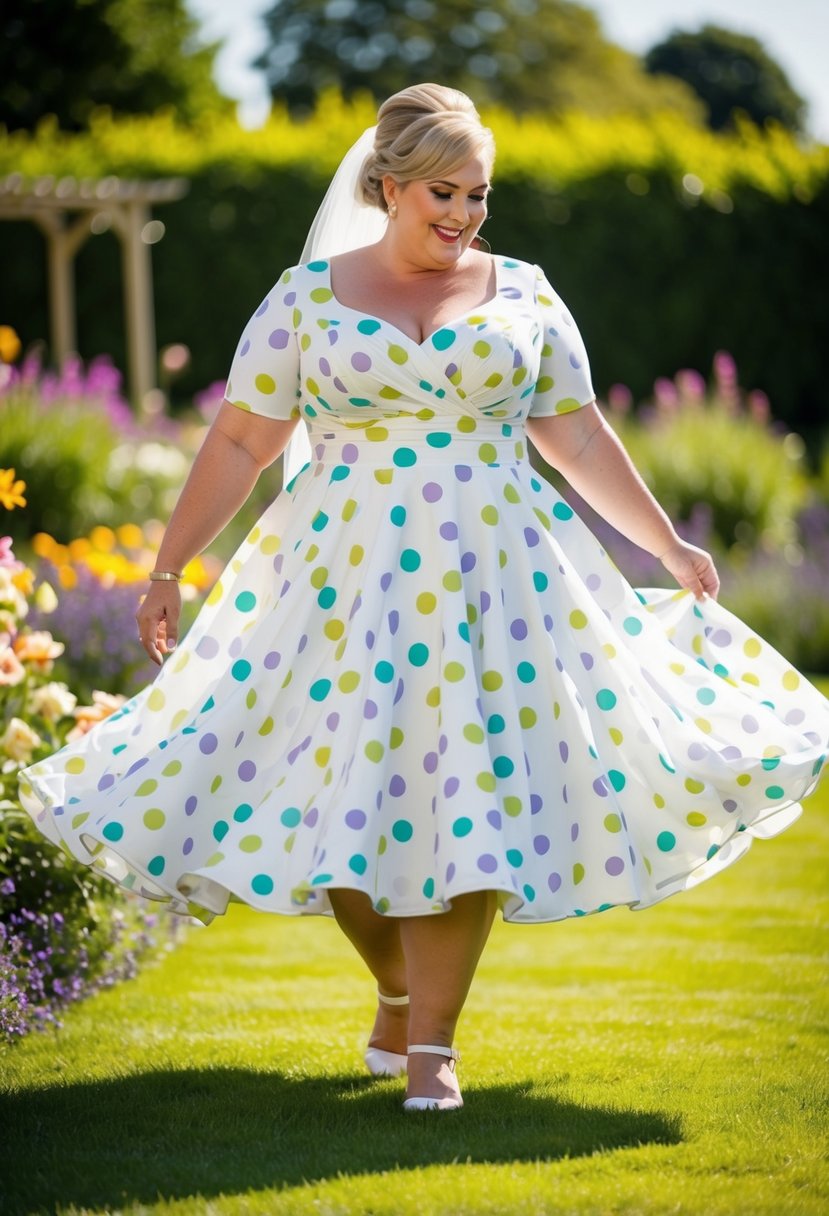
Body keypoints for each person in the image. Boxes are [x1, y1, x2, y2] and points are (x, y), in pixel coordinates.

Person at [19, 83, 829, 1113]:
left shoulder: (525, 292)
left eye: (479, 196)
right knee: (341, 808)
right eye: (443, 192)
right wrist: (172, 564)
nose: (463, 215)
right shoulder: (305, 297)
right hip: (336, 586)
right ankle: (398, 987)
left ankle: (433, 1044)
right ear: (387, 185)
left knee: (470, 794)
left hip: (499, 582)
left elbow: (575, 432)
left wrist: (662, 543)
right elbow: (239, 439)